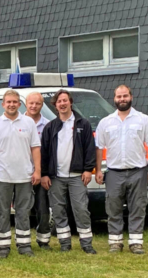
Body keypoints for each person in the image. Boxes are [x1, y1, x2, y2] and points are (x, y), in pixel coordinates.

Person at [95, 85, 148, 254]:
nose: (122, 99)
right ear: (114, 99)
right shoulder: (105, 122)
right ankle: (115, 242)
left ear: (131, 97)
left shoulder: (143, 120)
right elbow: (99, 148)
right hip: (114, 172)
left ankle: (136, 242)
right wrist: (98, 170)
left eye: (125, 96)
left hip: (138, 171)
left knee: (138, 206)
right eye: (119, 97)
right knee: (113, 207)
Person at [0, 90, 41, 258]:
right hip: (2, 177)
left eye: (14, 102)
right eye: (8, 102)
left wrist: (37, 170)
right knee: (3, 212)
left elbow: (35, 148)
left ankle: (24, 245)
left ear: (19, 104)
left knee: (23, 212)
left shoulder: (29, 123)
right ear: (3, 104)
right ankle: (3, 247)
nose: (11, 104)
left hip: (25, 176)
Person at [40, 90, 97, 254]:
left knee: (81, 209)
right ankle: (64, 242)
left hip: (77, 176)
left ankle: (86, 243)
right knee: (58, 210)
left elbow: (89, 148)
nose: (62, 104)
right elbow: (44, 152)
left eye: (65, 100)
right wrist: (44, 174)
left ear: (70, 102)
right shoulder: (50, 127)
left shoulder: (82, 124)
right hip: (56, 177)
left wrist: (87, 169)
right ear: (55, 105)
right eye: (59, 101)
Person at [25, 92, 52, 249]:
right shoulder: (18, 122)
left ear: (42, 105)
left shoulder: (48, 125)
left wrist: (44, 173)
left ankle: (43, 240)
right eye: (31, 103)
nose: (34, 106)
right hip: (21, 174)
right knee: (23, 209)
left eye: (38, 103)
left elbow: (49, 152)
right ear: (26, 104)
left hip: (40, 174)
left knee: (42, 208)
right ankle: (23, 240)